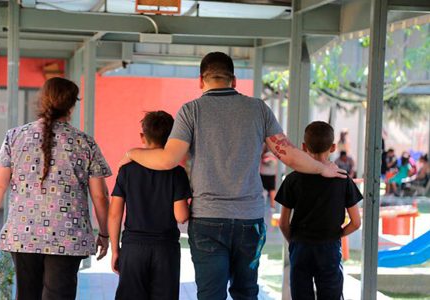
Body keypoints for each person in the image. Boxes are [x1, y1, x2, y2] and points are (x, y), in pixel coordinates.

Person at [120, 52, 346, 300]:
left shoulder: (190, 111)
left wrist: (132, 152)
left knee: (211, 295)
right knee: (246, 292)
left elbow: (167, 160)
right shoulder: (258, 108)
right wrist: (323, 168)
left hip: (207, 219)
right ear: (234, 80)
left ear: (201, 81)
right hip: (249, 220)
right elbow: (288, 153)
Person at [0, 77, 112, 300]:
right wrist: (105, 233)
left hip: (24, 235)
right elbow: (100, 195)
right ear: (71, 106)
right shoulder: (84, 142)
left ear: (43, 101)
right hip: (69, 237)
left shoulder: (15, 137)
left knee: (27, 295)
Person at [108, 111, 191, 300]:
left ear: (142, 137)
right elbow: (181, 216)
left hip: (133, 247)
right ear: (171, 138)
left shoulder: (127, 170)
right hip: (165, 248)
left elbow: (114, 214)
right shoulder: (177, 172)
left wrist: (115, 250)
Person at [276, 121, 362, 300]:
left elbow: (283, 223)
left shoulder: (292, 179)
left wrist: (295, 241)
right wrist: (336, 235)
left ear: (304, 147)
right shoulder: (342, 179)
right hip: (329, 247)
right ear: (333, 147)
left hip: (301, 247)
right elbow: (356, 222)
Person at [260, 145, 278, 209]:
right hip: (267, 174)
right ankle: (271, 205)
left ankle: (271, 205)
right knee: (269, 190)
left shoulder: (265, 154)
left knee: (270, 190)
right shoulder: (267, 154)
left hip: (267, 174)